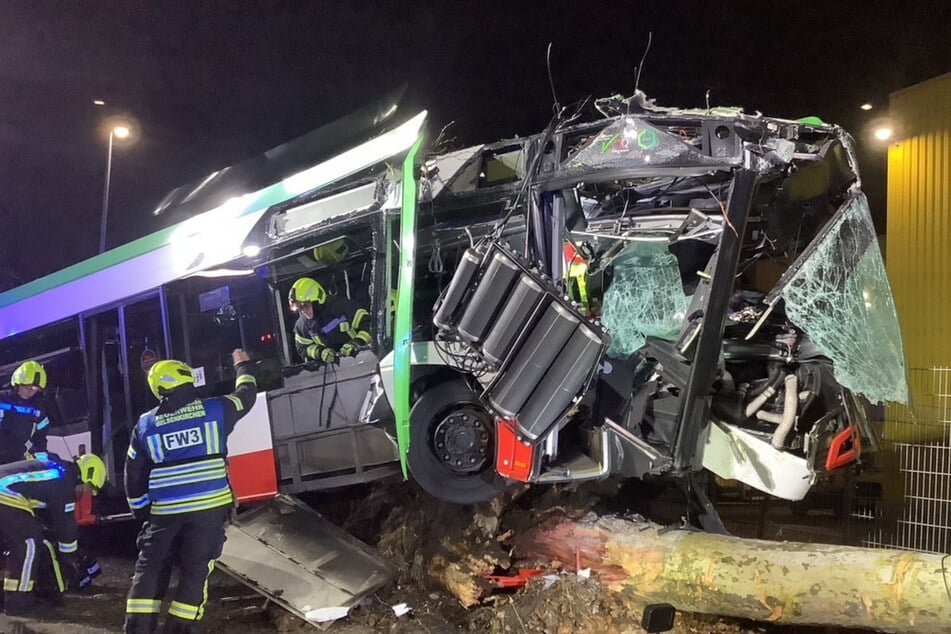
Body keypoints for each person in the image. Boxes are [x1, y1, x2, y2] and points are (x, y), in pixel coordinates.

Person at [124, 349, 257, 634]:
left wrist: (142, 510)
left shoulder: (145, 424)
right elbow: (246, 396)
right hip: (207, 512)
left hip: (164, 515)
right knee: (195, 571)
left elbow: (133, 474)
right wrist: (242, 365)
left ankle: (137, 628)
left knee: (149, 569)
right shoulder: (216, 409)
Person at [0, 453, 107, 615]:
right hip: (5, 493)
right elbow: (66, 528)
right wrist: (70, 561)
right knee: (29, 540)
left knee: (18, 537)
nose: (83, 495)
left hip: (7, 492)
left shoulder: (55, 471)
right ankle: (18, 601)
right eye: (87, 489)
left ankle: (9, 594)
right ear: (86, 476)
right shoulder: (65, 482)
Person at [289, 277, 372, 364]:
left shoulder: (343, 307)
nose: (303, 311)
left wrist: (356, 343)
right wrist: (320, 352)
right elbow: (302, 349)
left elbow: (369, 325)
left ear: (317, 301)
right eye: (299, 308)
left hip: (363, 359)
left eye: (305, 306)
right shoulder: (302, 326)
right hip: (334, 370)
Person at [0, 361, 51, 464]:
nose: (30, 392)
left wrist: (42, 462)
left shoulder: (38, 408)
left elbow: (40, 438)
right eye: (26, 387)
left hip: (18, 459)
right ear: (17, 383)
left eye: (34, 389)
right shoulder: (2, 399)